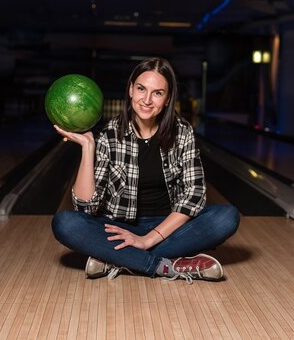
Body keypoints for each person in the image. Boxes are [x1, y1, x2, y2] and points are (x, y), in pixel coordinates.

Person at [51, 57, 240, 283]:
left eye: (158, 93)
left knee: (226, 217)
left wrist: (147, 240)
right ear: (131, 89)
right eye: (141, 89)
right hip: (119, 226)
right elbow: (86, 207)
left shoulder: (182, 133)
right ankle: (161, 265)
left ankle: (118, 259)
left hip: (169, 227)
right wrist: (88, 147)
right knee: (65, 223)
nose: (147, 100)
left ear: (168, 98)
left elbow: (194, 196)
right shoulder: (109, 134)